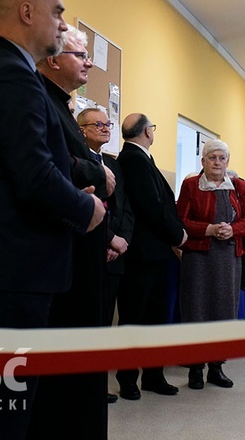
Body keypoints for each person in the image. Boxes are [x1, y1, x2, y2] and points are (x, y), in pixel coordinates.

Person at [0, 0, 105, 439]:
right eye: (56, 12)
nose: (61, 24)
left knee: (10, 409)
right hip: (8, 269)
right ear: (26, 12)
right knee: (6, 414)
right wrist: (85, 208)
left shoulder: (2, 71)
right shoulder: (12, 75)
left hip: (9, 267)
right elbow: (33, 176)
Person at [29, 26, 114, 437]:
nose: (89, 62)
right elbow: (49, 165)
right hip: (63, 256)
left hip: (84, 253)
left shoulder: (60, 105)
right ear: (52, 60)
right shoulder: (40, 101)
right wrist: (96, 172)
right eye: (80, 55)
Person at [115, 113, 187, 400]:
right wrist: (177, 234)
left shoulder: (141, 158)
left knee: (155, 316)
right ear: (148, 131)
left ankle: (153, 376)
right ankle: (128, 378)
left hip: (155, 254)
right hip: (142, 254)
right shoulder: (133, 159)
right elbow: (152, 206)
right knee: (135, 318)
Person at [175, 140, 245, 389]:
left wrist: (231, 230)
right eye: (212, 158)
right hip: (198, 258)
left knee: (223, 311)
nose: (217, 163)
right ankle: (196, 369)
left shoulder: (239, 186)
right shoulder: (191, 185)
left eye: (222, 158)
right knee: (196, 310)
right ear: (203, 161)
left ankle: (216, 367)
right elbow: (181, 219)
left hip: (228, 258)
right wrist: (208, 229)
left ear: (228, 162)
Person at [78, 107, 135, 404]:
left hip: (116, 254)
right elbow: (86, 205)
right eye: (96, 124)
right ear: (81, 130)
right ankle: (86, 388)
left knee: (105, 323)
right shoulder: (78, 162)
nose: (104, 128)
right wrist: (107, 239)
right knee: (87, 323)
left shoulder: (113, 163)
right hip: (90, 251)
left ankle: (99, 384)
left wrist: (121, 239)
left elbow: (123, 204)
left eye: (107, 123)